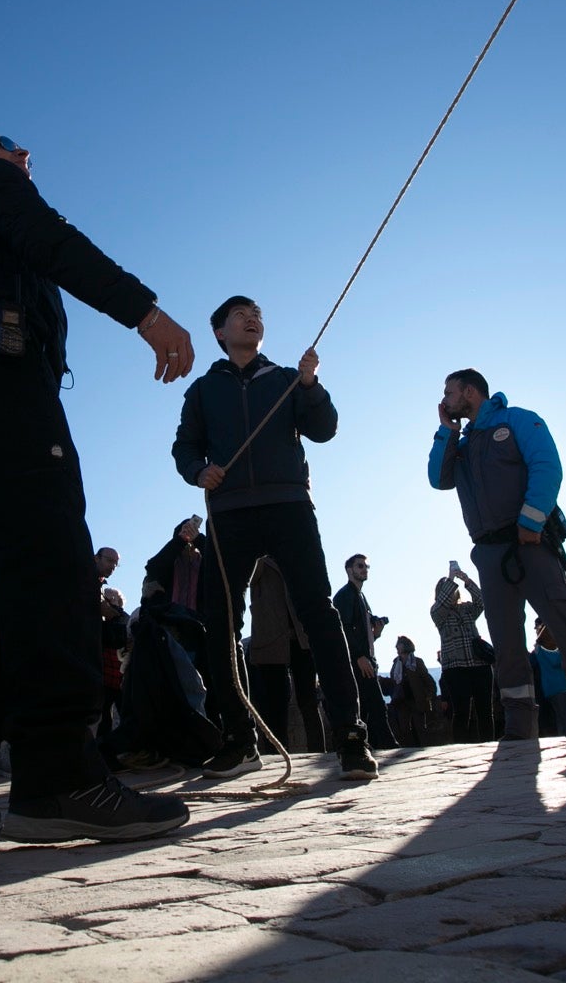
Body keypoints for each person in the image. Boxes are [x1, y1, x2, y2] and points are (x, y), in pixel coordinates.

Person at [0, 131, 194, 849]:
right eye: (13, 149)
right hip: (1, 374)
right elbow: (48, 234)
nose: (26, 160)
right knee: (50, 554)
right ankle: (59, 775)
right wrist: (143, 310)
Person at [172, 295, 378, 781]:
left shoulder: (287, 379)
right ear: (220, 333)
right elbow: (185, 446)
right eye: (240, 315)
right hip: (230, 513)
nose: (252, 319)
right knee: (220, 620)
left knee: (318, 613)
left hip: (289, 505)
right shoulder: (203, 390)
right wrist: (198, 471)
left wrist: (310, 386)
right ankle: (240, 739)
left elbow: (324, 430)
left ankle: (351, 734)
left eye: (258, 314)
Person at [428, 368, 566, 739]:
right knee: (505, 639)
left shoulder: (518, 421)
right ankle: (518, 725)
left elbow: (547, 466)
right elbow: (438, 478)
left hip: (530, 542)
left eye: (449, 392)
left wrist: (531, 520)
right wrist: (446, 430)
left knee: (564, 624)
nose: (444, 399)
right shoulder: (461, 443)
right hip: (489, 552)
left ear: (469, 391)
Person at [244, 555, 325, 754]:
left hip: (301, 637)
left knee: (309, 701)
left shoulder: (292, 547)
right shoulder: (257, 554)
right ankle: (277, 756)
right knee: (275, 703)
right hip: (270, 636)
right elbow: (248, 578)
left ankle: (320, 752)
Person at [333, 555, 398, 751]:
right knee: (376, 705)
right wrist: (359, 656)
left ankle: (369, 746)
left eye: (366, 566)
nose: (364, 569)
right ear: (349, 569)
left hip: (365, 659)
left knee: (368, 708)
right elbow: (342, 628)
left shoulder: (360, 596)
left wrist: (375, 633)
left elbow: (361, 632)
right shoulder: (346, 595)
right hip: (358, 661)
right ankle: (387, 744)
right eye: (360, 566)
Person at [430, 569, 493, 741]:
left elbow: (482, 601)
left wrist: (467, 580)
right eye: (446, 589)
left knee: (485, 710)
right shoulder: (438, 614)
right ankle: (461, 746)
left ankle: (489, 742)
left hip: (479, 664)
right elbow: (441, 604)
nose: (450, 593)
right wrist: (450, 578)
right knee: (461, 711)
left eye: (452, 589)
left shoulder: (467, 609)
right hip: (455, 669)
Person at [143, 517, 204, 614]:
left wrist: (199, 540)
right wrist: (181, 540)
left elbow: (218, 562)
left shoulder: (203, 561)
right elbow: (153, 568)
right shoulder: (169, 559)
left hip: (199, 620)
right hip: (167, 618)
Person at [388, 636, 437, 746]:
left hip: (416, 699)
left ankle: (422, 749)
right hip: (401, 700)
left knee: (420, 728)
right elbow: (393, 680)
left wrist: (429, 694)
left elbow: (427, 679)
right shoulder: (396, 663)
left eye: (399, 644)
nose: (397, 646)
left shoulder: (417, 662)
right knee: (404, 729)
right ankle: (408, 750)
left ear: (406, 645)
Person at [99, 582, 129, 736]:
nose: (110, 600)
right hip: (106, 678)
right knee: (104, 717)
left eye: (113, 598)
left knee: (125, 715)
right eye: (107, 597)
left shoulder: (124, 620)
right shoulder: (100, 622)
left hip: (120, 677)